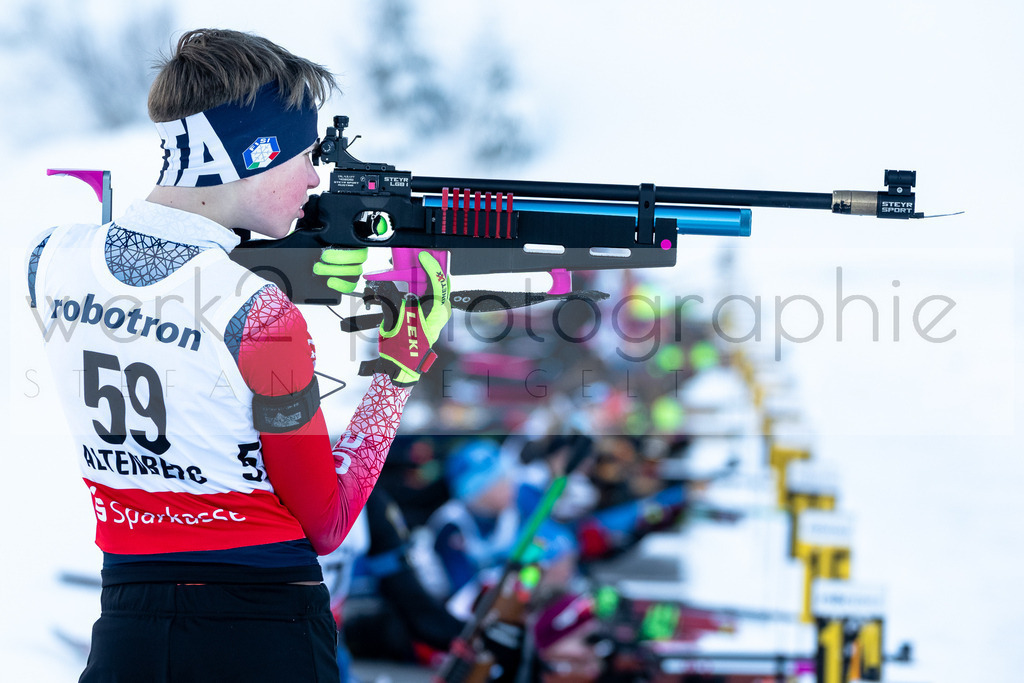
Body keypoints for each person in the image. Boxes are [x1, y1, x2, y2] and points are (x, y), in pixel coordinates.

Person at [26, 28, 450, 682]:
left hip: (128, 626)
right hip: (266, 628)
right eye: (305, 155)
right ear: (254, 154)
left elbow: (170, 304)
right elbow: (328, 519)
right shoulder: (259, 315)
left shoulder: (49, 260)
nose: (315, 178)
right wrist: (397, 373)